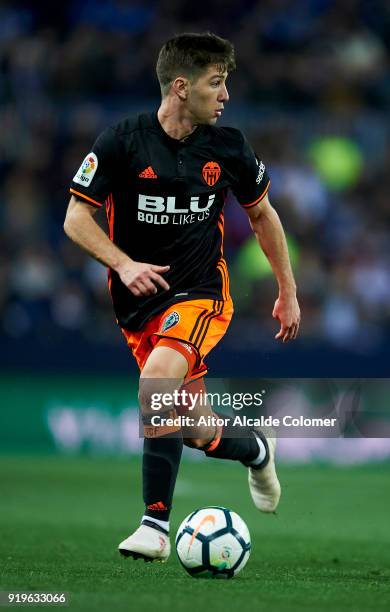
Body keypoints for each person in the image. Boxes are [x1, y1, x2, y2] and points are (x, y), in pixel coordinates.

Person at [64, 32, 300, 563]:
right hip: (140, 309)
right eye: (216, 83)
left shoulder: (228, 147)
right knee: (195, 430)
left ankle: (154, 525)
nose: (225, 95)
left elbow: (263, 216)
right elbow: (75, 218)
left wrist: (287, 289)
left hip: (201, 295)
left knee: (157, 384)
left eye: (226, 83)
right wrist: (122, 264)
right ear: (180, 87)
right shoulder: (122, 142)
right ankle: (257, 449)